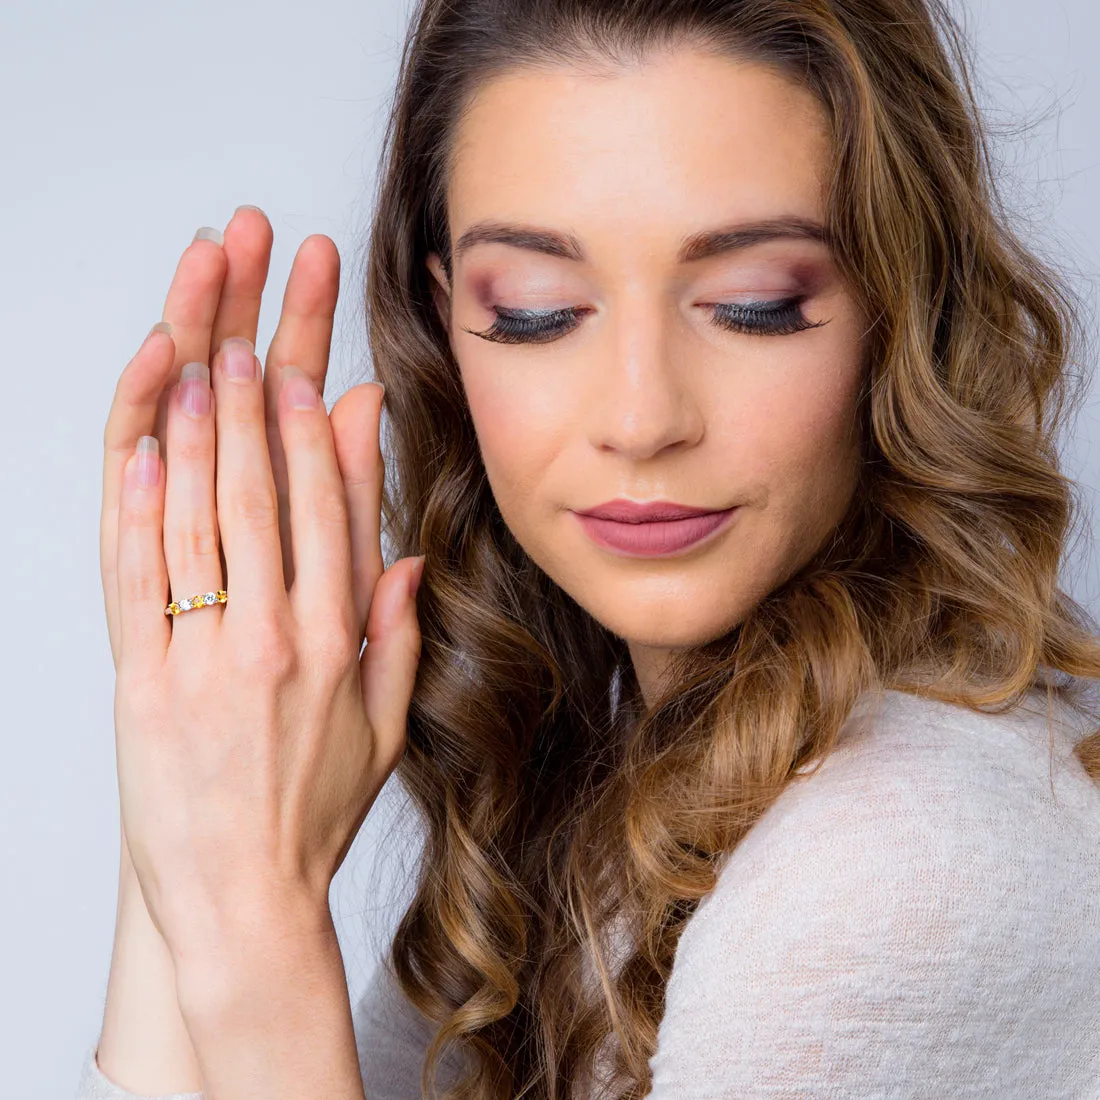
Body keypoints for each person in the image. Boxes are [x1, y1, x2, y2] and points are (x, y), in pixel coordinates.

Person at [78, 0, 1100, 1097]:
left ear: (901, 311)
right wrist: (184, 738)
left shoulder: (889, 869)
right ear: (447, 329)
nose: (640, 414)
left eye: (751, 305)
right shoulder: (605, 780)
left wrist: (251, 919)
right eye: (536, 310)